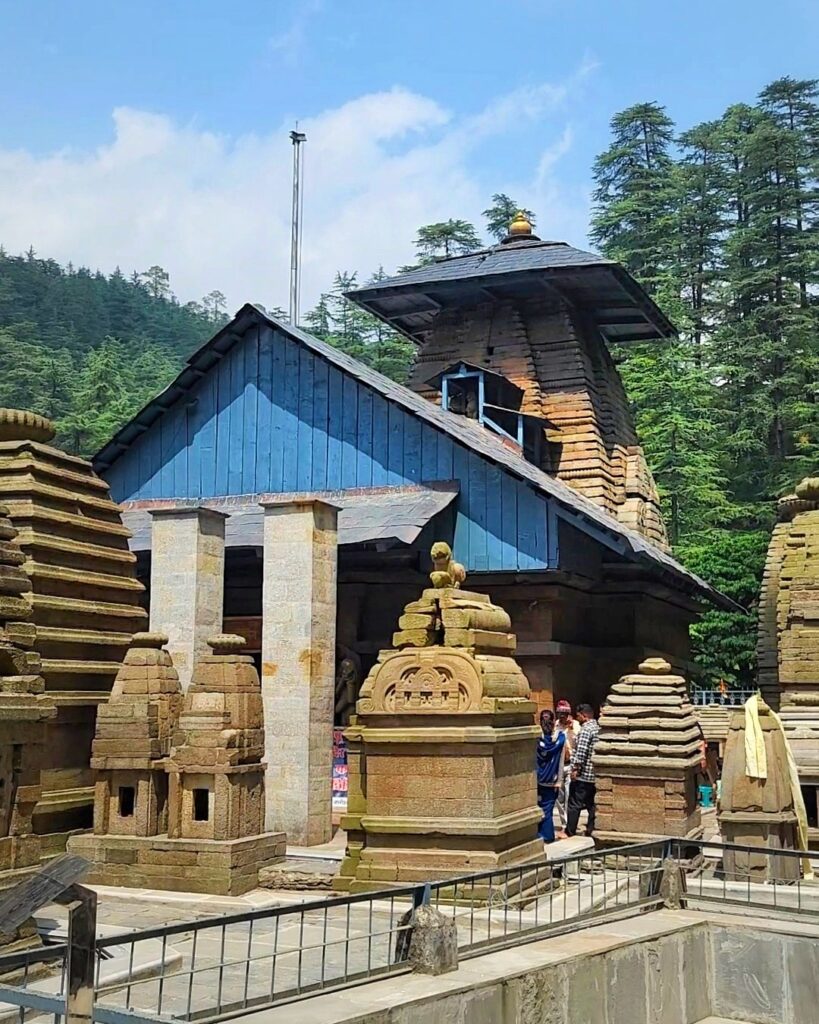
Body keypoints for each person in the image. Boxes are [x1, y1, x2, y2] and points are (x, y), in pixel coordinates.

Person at [559, 703, 599, 838]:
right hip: (593, 773)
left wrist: (575, 769)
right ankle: (591, 828)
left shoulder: (586, 729)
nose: (578, 718)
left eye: (579, 716)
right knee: (591, 803)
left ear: (584, 715)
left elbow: (581, 751)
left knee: (574, 803)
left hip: (583, 774)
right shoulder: (597, 727)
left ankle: (569, 831)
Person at [535, 709, 566, 843]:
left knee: (539, 807)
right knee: (547, 808)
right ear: (553, 722)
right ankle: (546, 835)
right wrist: (559, 780)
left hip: (538, 779)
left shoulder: (535, 738)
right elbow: (561, 761)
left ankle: (542, 834)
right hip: (552, 780)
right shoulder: (560, 739)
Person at [554, 700, 580, 827]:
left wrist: (570, 729)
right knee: (559, 796)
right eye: (559, 713)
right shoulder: (556, 725)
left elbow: (578, 742)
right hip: (558, 764)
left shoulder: (575, 725)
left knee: (570, 794)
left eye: (564, 714)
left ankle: (571, 823)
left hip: (570, 764)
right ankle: (564, 823)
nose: (561, 716)